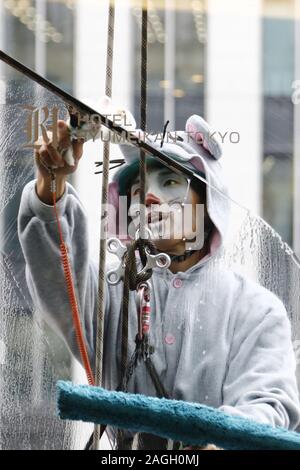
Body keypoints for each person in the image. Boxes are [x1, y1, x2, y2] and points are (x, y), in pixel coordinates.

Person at [18, 114, 300, 450]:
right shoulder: (111, 292)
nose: (149, 198)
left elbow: (268, 405)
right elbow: (54, 268)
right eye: (138, 190)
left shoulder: (256, 311)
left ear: (209, 201)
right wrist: (49, 186)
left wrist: (217, 442)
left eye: (170, 183)